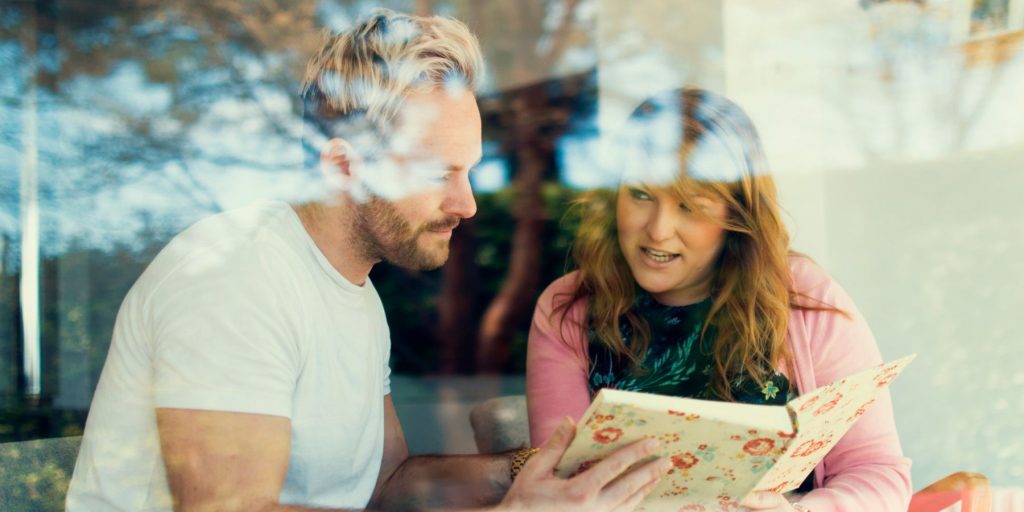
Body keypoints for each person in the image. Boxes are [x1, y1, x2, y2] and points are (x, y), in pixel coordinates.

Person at [66, 10, 672, 512]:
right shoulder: (232, 274)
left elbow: (389, 486)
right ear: (343, 168)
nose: (465, 204)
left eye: (468, 172)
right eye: (439, 172)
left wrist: (531, 471)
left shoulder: (355, 295)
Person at [525, 88, 913, 511]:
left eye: (691, 207)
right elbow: (559, 493)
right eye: (640, 194)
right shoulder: (569, 308)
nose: (658, 230)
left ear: (735, 215)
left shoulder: (802, 298)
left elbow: (878, 475)